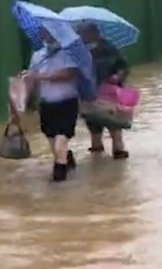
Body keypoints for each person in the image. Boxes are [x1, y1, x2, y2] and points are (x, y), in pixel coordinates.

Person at [23, 29, 79, 182]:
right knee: (51, 136)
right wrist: (25, 101)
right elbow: (31, 79)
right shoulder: (38, 55)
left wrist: (41, 76)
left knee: (62, 135)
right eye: (44, 31)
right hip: (46, 103)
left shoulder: (69, 53)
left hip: (67, 102)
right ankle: (66, 157)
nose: (46, 34)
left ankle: (59, 172)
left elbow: (69, 74)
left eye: (49, 31)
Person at [78, 23, 130, 159]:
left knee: (114, 123)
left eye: (85, 33)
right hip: (89, 92)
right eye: (82, 34)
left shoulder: (109, 48)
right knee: (93, 123)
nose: (83, 37)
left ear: (94, 33)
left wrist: (117, 76)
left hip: (109, 92)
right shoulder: (79, 51)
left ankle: (118, 149)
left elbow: (123, 66)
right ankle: (97, 149)